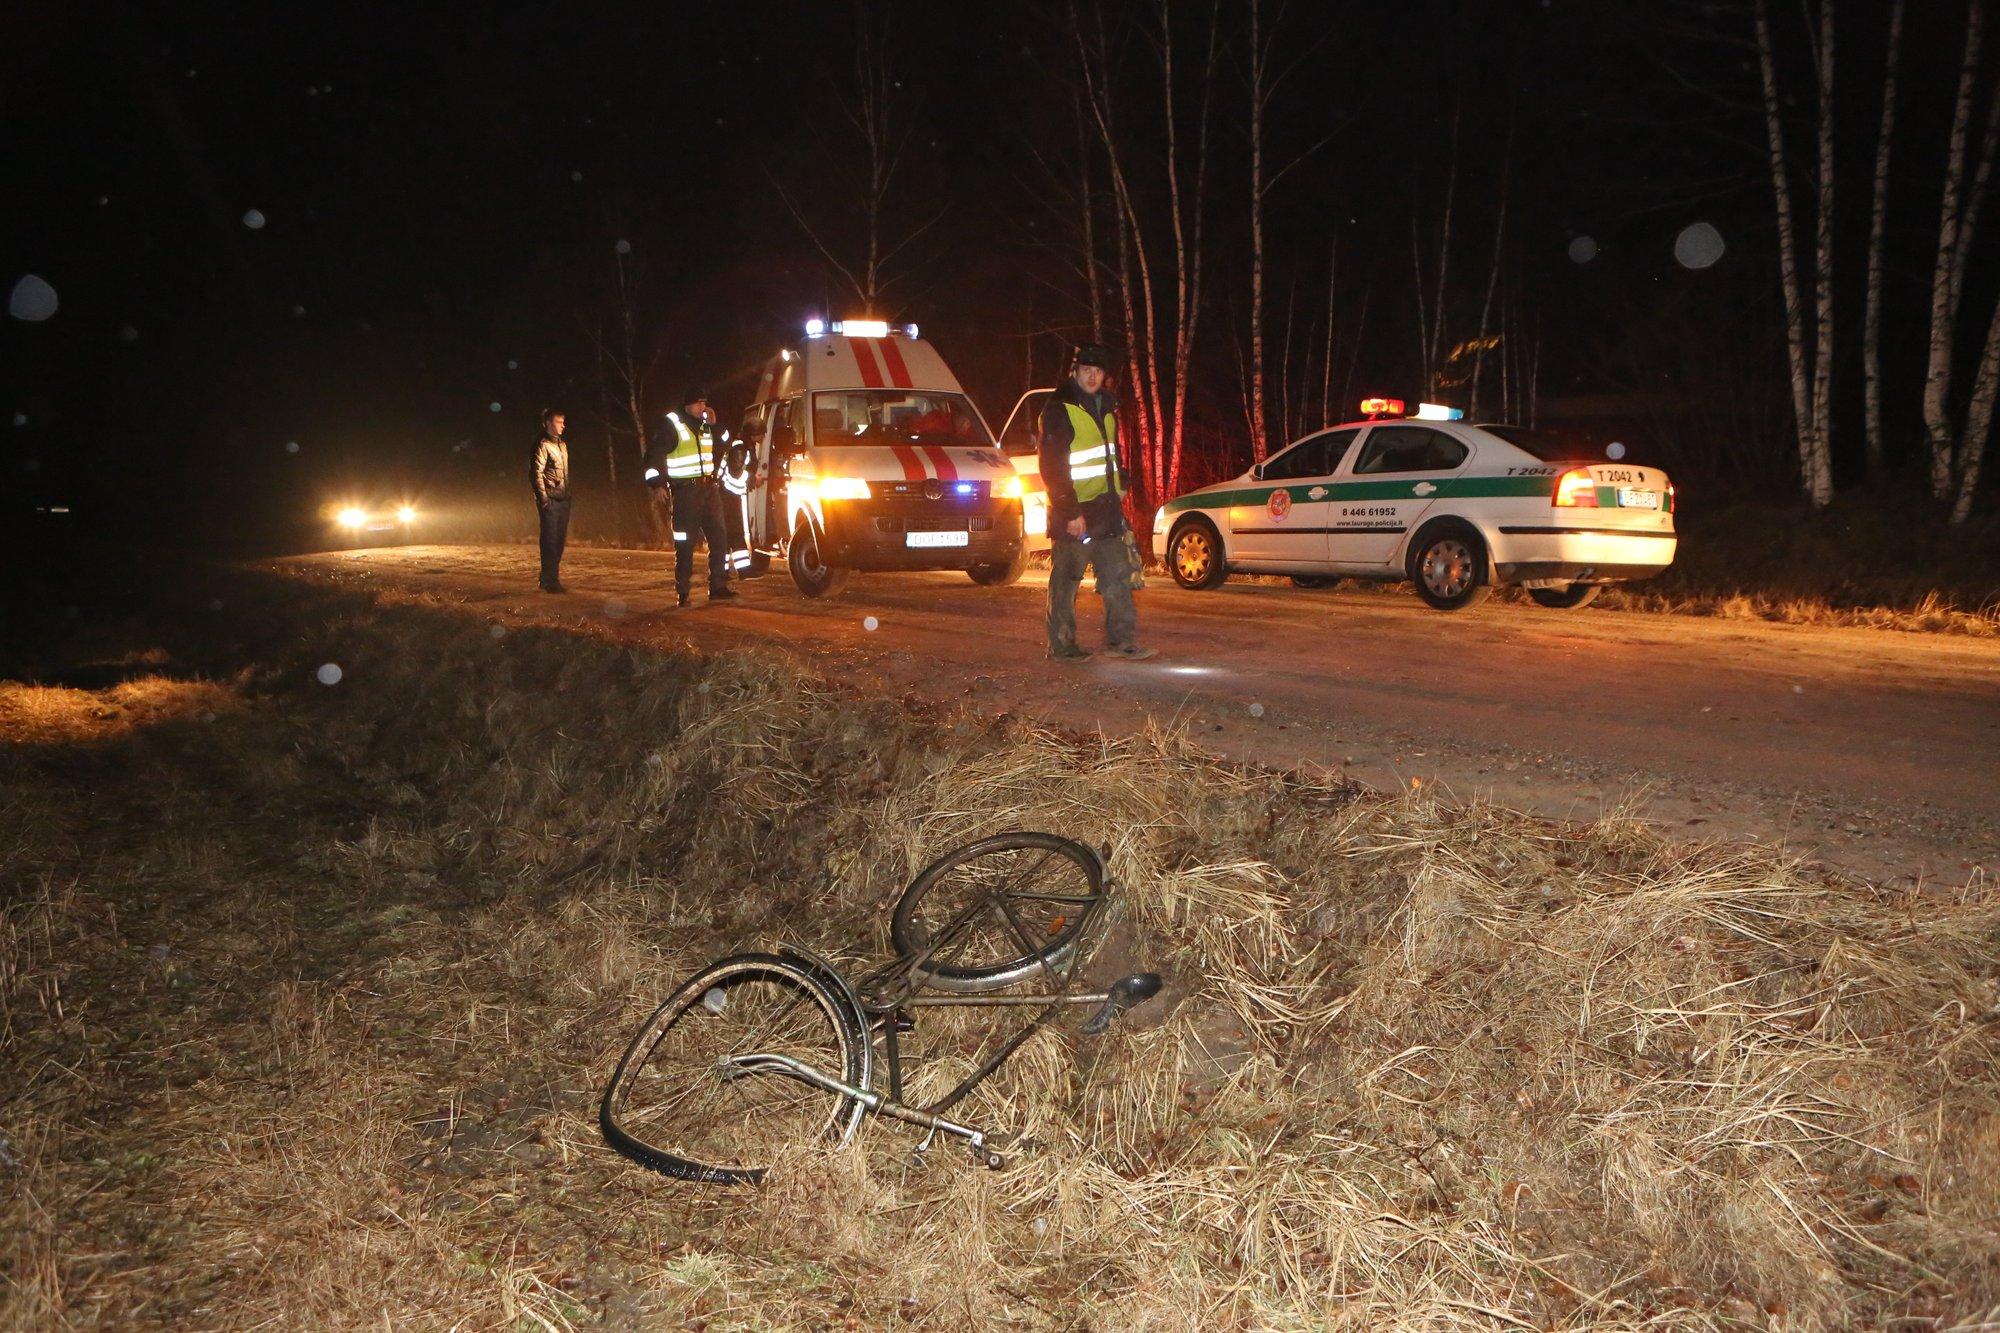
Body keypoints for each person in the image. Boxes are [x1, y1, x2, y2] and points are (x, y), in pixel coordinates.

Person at [1040, 345, 1154, 661]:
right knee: (1067, 581)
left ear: (1105, 376)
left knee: (1118, 577)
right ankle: (1062, 647)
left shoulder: (1106, 407)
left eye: (1098, 370)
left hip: (1106, 510)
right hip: (1074, 511)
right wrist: (1070, 511)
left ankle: (1122, 641)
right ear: (1074, 372)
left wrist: (1122, 485)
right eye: (1086, 369)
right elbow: (1052, 466)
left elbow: (1111, 456)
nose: (1092, 375)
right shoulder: (1059, 409)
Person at [652, 390, 738, 608]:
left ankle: (717, 587)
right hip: (686, 492)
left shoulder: (706, 425)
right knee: (685, 543)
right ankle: (683, 592)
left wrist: (716, 423)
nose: (703, 407)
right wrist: (657, 484)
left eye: (705, 403)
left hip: (709, 490)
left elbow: (727, 442)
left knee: (719, 537)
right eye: (699, 404)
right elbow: (654, 454)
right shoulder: (672, 425)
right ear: (688, 405)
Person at [531, 409, 570, 593]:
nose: (563, 425)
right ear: (548, 423)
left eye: (563, 421)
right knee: (550, 541)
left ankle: (547, 577)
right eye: (558, 422)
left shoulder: (562, 445)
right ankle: (550, 581)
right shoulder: (542, 444)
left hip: (563, 499)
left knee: (559, 541)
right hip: (550, 500)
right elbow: (535, 474)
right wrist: (543, 499)